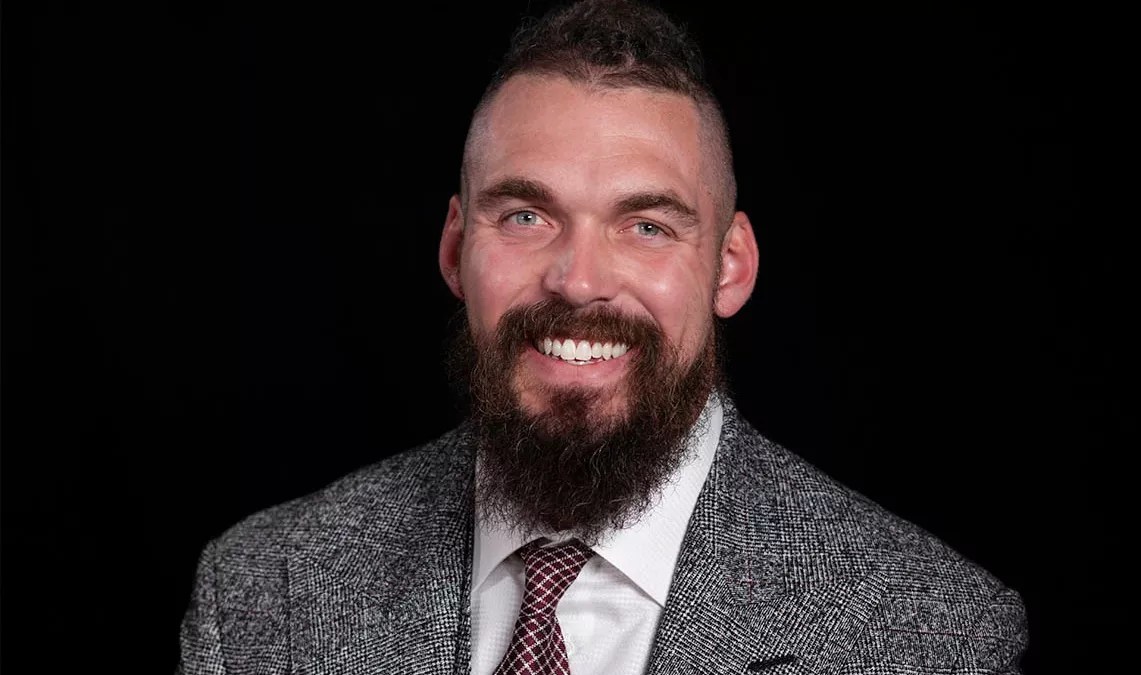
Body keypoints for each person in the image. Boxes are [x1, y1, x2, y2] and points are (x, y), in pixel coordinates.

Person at [177, 1, 1028, 673]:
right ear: (455, 247)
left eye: (646, 226)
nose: (579, 281)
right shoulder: (261, 596)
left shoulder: (931, 634)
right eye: (526, 215)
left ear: (730, 266)